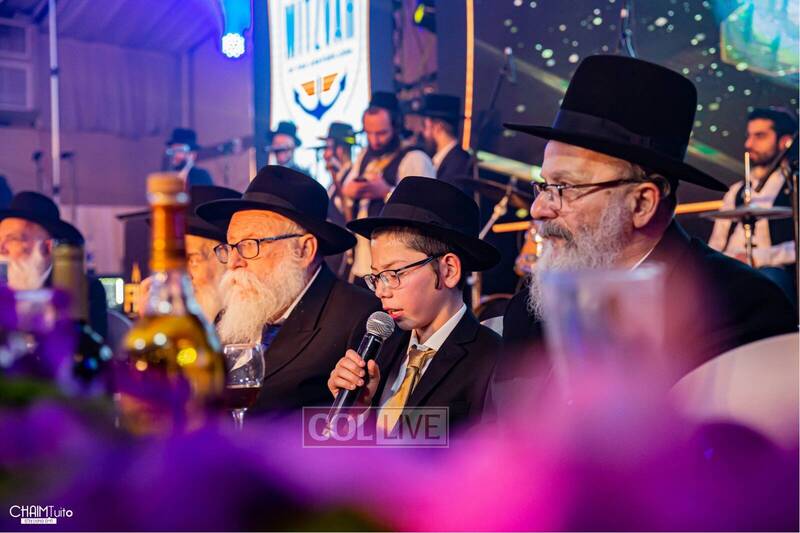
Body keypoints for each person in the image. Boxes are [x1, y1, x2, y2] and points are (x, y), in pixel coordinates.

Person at [498, 55, 795, 384]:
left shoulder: (737, 308)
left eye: (564, 187)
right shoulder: (529, 310)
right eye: (543, 185)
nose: (538, 209)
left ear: (642, 204)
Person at [196, 165, 380, 412]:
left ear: (304, 250)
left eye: (249, 245)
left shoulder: (358, 317)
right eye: (230, 247)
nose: (233, 262)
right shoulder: (231, 316)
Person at [328, 177, 501, 431]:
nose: (381, 291)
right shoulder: (378, 343)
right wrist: (358, 412)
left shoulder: (492, 360)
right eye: (376, 277)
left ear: (448, 270)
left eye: (393, 274)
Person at [340, 91, 436, 282]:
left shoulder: (414, 158)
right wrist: (351, 190)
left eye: (381, 133)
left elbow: (425, 211)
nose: (374, 141)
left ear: (396, 125)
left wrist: (386, 192)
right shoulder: (365, 156)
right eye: (369, 133)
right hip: (363, 264)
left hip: (397, 271)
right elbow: (347, 188)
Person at [708, 107, 798, 301]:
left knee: (768, 282)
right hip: (731, 269)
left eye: (760, 136)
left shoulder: (794, 187)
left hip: (773, 272)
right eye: (748, 136)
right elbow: (716, 244)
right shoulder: (736, 191)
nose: (748, 144)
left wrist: (756, 258)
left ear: (785, 141)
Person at [0, 191, 108, 337]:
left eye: (13, 239)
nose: (1, 248)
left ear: (47, 248)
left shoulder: (82, 289)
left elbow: (82, 344)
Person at [318, 122, 358, 278]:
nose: (325, 155)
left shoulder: (352, 177)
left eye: (328, 148)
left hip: (346, 257)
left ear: (340, 149)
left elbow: (349, 216)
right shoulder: (336, 179)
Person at [416, 93, 474, 188]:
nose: (422, 132)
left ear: (438, 127)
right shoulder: (438, 159)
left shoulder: (458, 163)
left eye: (425, 126)